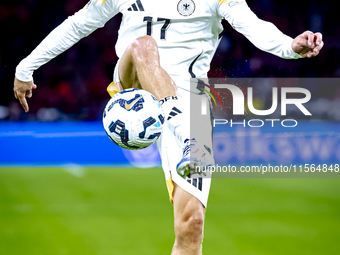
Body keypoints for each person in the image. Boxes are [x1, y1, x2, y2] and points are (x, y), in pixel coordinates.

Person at [13, 0, 323, 254]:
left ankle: (187, 134)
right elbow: (77, 24)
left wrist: (290, 45)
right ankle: (185, 134)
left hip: (194, 104)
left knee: (192, 227)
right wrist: (26, 67)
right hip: (135, 88)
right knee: (143, 45)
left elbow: (252, 26)